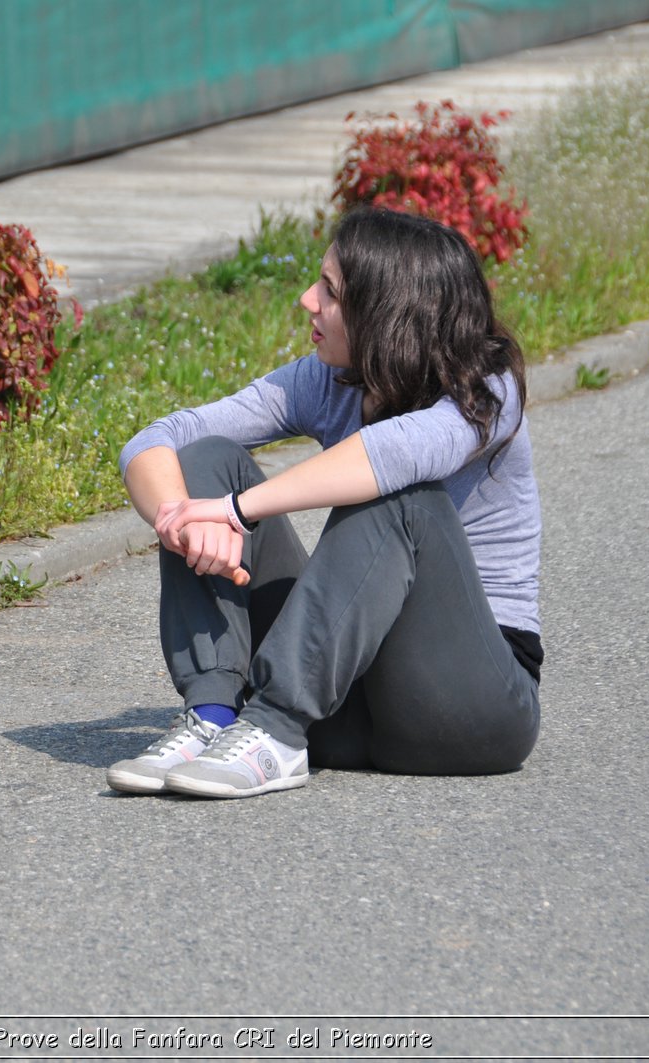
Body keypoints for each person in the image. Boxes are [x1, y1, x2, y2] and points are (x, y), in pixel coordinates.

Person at [108, 208, 541, 799]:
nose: (308, 300)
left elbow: (392, 455)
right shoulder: (331, 378)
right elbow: (156, 441)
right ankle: (214, 716)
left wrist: (234, 511)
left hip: (468, 705)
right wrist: (181, 519)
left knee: (402, 495)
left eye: (331, 292)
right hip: (342, 703)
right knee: (208, 457)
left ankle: (275, 725)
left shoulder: (488, 388)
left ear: (389, 313)